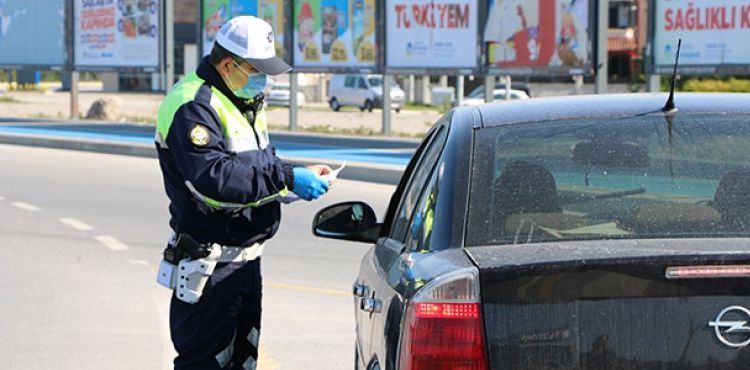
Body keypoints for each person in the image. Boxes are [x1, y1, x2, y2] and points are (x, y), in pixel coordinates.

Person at [154, 15, 331, 370]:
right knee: (206, 364)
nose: (263, 80)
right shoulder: (193, 105)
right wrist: (285, 178)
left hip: (245, 264)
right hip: (210, 270)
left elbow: (257, 166)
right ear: (227, 64)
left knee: (243, 361)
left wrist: (296, 176)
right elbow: (214, 181)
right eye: (256, 70)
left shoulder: (241, 100)